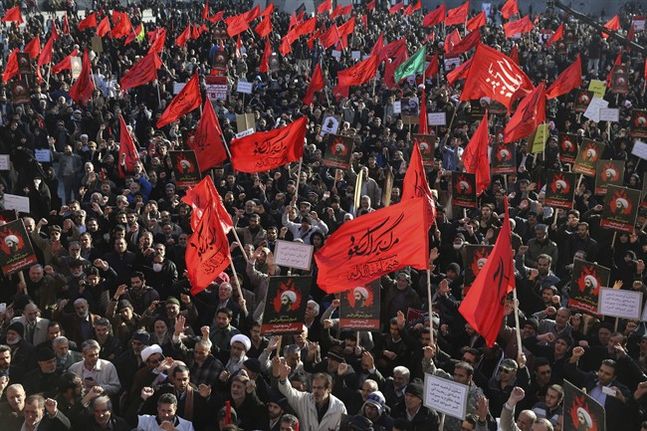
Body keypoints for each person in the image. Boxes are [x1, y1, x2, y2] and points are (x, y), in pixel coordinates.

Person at [274, 358, 347, 431]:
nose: (316, 391)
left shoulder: (339, 407)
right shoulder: (304, 400)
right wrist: (283, 378)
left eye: (319, 388)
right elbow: (288, 392)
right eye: (314, 387)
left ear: (328, 389)